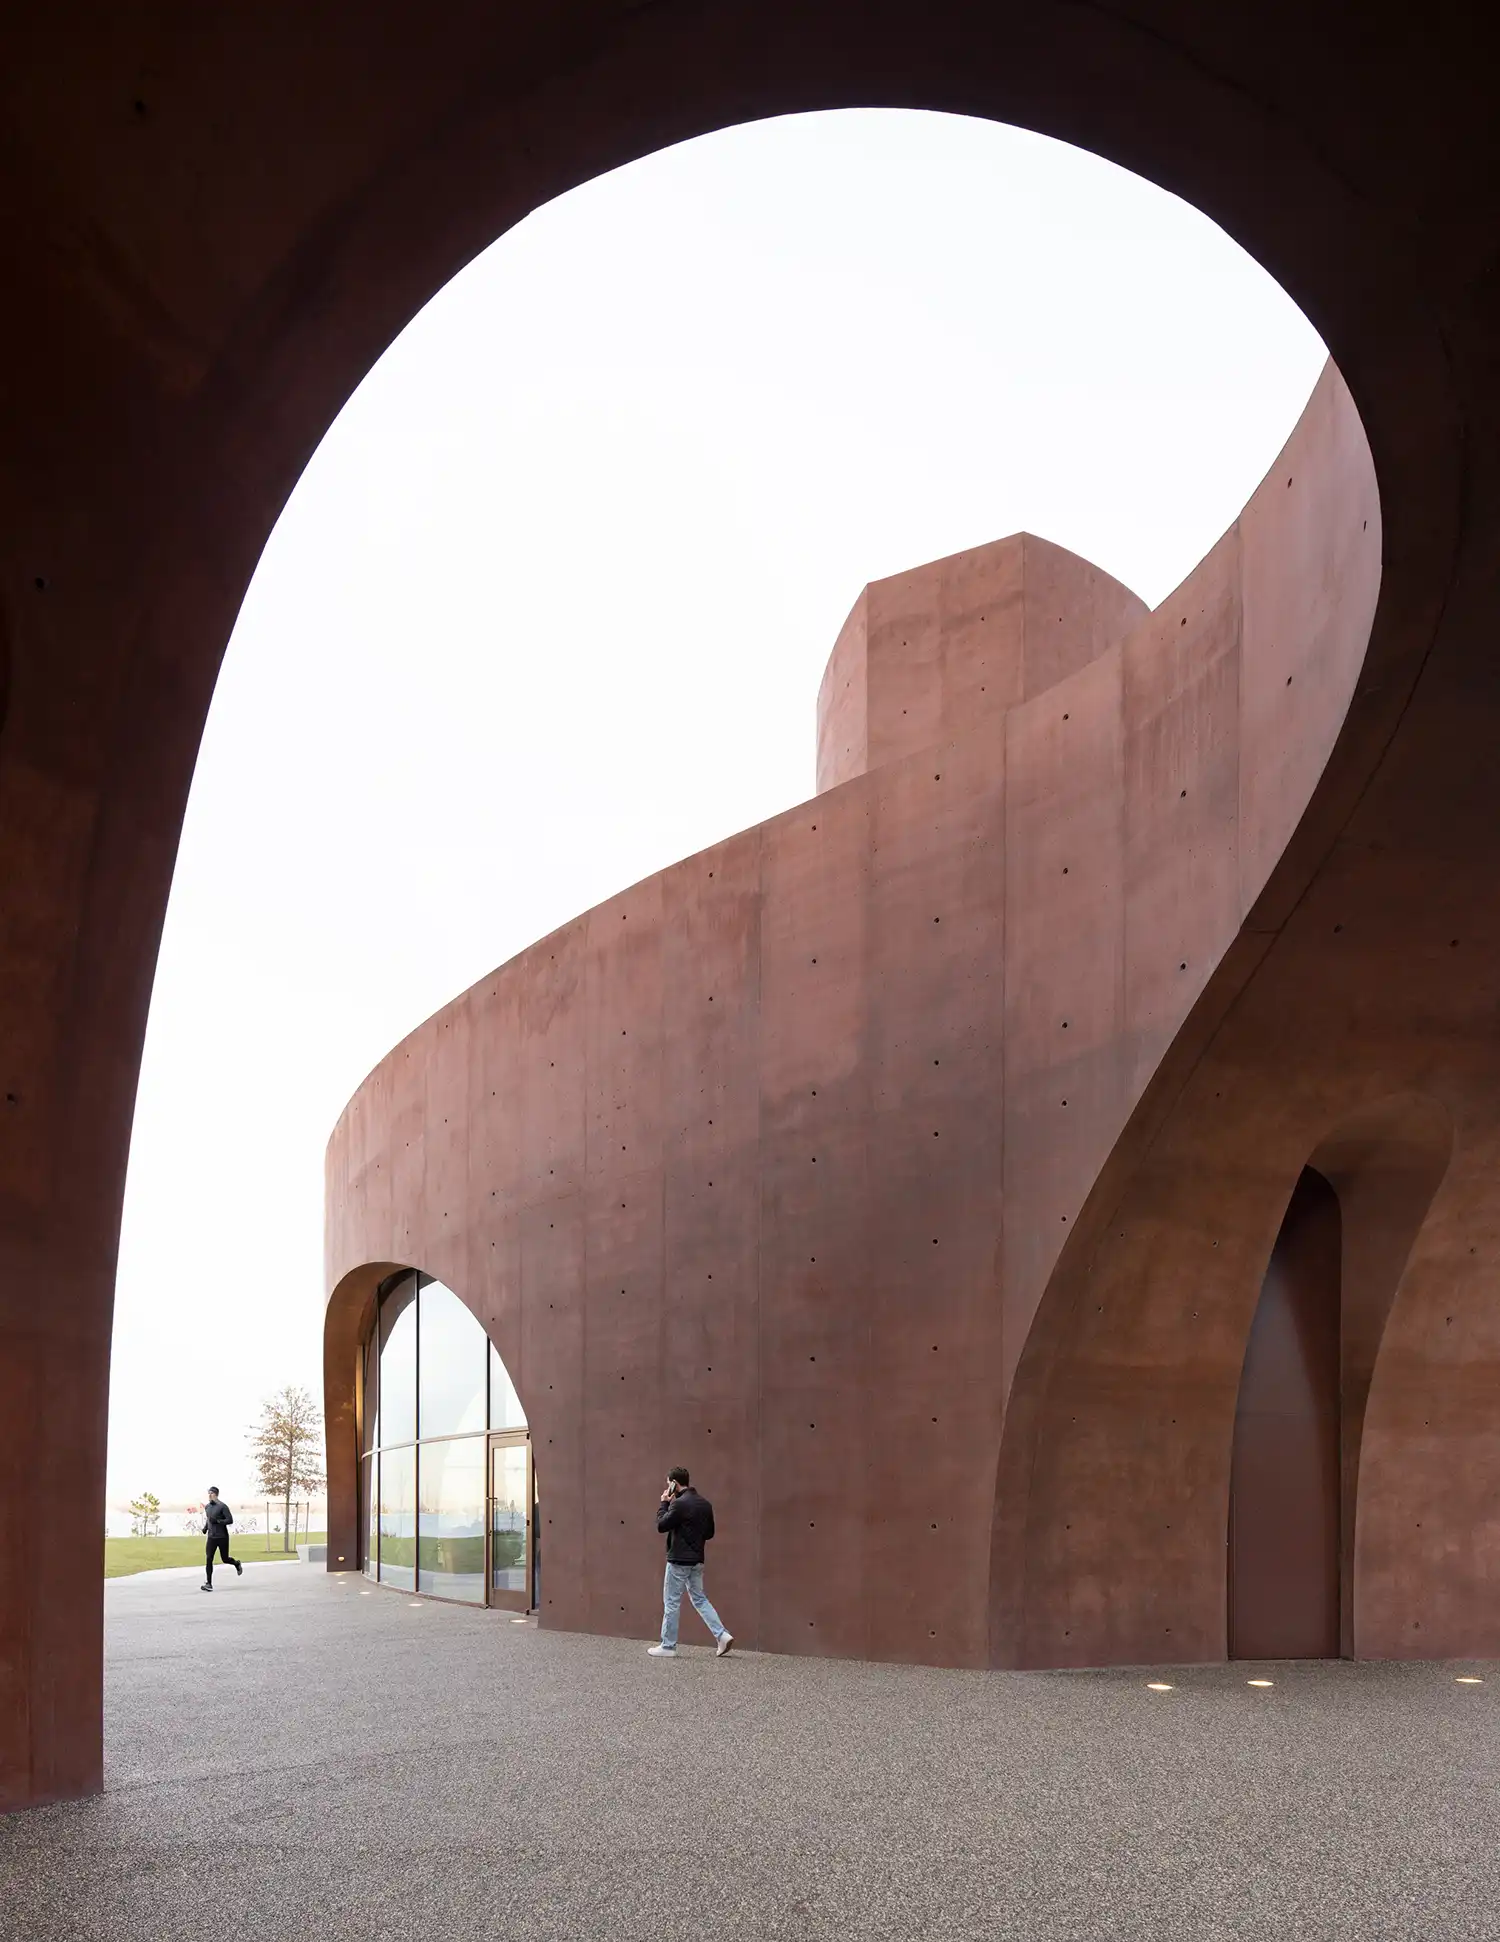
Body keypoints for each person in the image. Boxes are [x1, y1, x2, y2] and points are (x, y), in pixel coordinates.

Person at [648, 1466, 733, 1657]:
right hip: (697, 1560)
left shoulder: (679, 1504)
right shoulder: (705, 1504)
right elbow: (709, 1533)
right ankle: (722, 1635)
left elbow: (661, 1525)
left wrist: (664, 1503)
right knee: (700, 1599)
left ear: (673, 1483)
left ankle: (668, 1646)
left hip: (678, 1561)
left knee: (671, 1602)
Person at [200, 1487, 243, 1591]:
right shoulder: (207, 1507)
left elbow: (230, 1520)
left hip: (222, 1536)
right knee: (209, 1558)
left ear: (216, 1494)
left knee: (225, 1559)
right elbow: (209, 1519)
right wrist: (205, 1528)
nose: (209, 1495)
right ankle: (209, 1583)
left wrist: (218, 1521)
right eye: (209, 1493)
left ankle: (236, 1563)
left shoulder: (222, 1506)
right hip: (211, 1537)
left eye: (211, 1493)